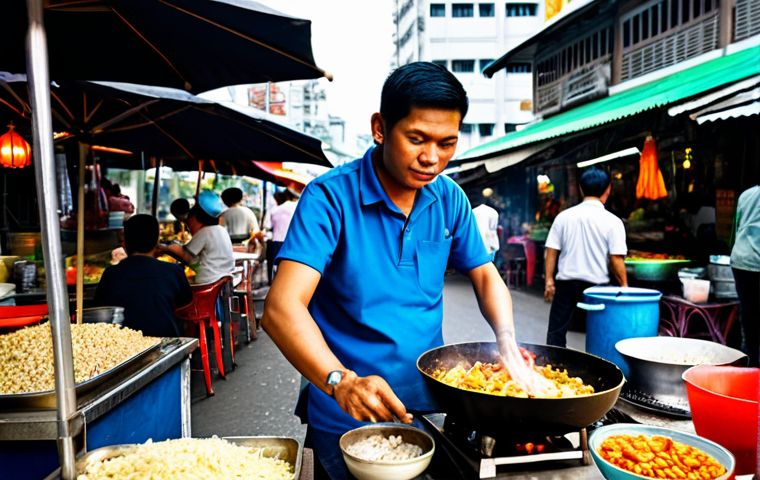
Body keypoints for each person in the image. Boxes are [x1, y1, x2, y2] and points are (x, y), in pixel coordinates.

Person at [262, 62, 554, 480]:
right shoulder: (329, 198)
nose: (432, 158)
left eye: (447, 142)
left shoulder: (449, 198)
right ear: (380, 128)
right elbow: (281, 307)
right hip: (346, 410)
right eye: (416, 139)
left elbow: (485, 274)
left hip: (430, 405)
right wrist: (340, 380)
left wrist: (506, 341)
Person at [544, 167, 628, 347]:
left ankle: (553, 368)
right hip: (598, 288)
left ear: (581, 189)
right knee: (601, 332)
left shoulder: (563, 217)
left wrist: (549, 280)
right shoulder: (613, 221)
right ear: (608, 190)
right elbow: (616, 259)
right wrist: (624, 287)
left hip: (566, 285)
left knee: (556, 332)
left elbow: (551, 250)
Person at [95, 215, 192, 337]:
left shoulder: (110, 274)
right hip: (167, 343)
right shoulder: (173, 271)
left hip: (123, 346)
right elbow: (186, 304)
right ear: (156, 243)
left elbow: (99, 308)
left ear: (125, 244)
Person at [163, 191, 234, 285]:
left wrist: (166, 249)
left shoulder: (205, 232)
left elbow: (187, 256)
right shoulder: (222, 230)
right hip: (224, 277)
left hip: (208, 280)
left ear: (197, 217)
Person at [730, 185, 760, 367]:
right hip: (756, 261)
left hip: (741, 259)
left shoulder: (746, 195)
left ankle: (750, 360)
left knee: (749, 313)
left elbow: (739, 225)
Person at [265, 188, 299, 282]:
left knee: (274, 268)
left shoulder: (275, 210)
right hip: (291, 242)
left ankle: (273, 283)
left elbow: (268, 226)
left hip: (276, 242)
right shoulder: (298, 207)